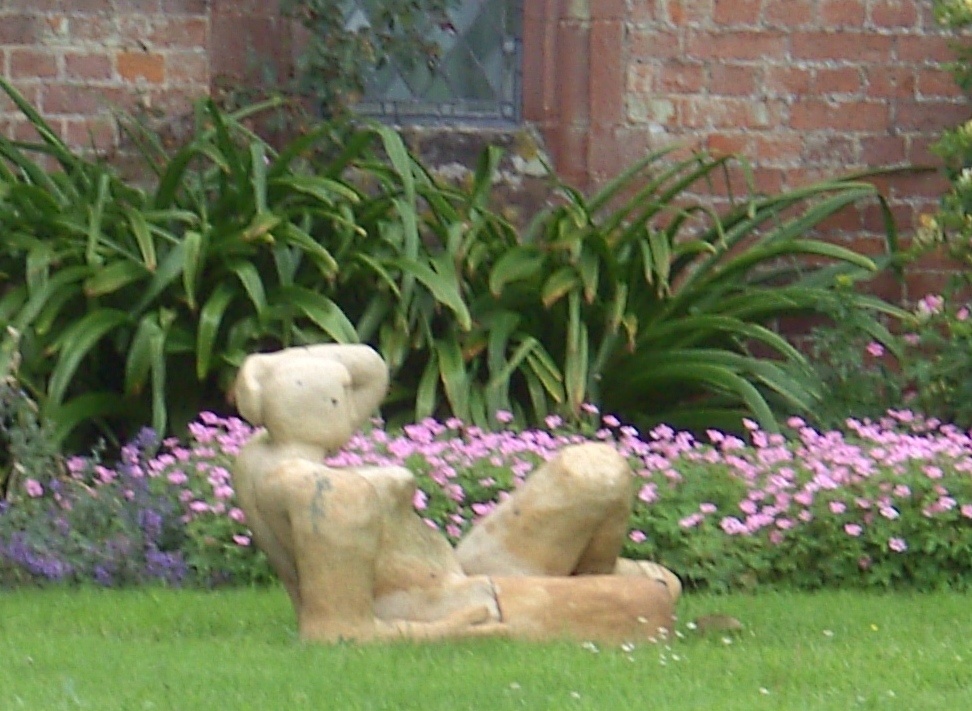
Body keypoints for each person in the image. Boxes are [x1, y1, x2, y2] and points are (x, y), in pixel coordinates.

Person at [232, 344, 679, 643]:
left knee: (596, 470)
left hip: (460, 568)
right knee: (653, 599)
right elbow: (338, 635)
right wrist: (449, 632)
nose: (358, 399)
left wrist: (262, 369)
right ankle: (587, 586)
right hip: (450, 604)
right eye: (344, 395)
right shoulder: (326, 493)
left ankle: (583, 580)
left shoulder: (258, 454)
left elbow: (369, 366)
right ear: (333, 408)